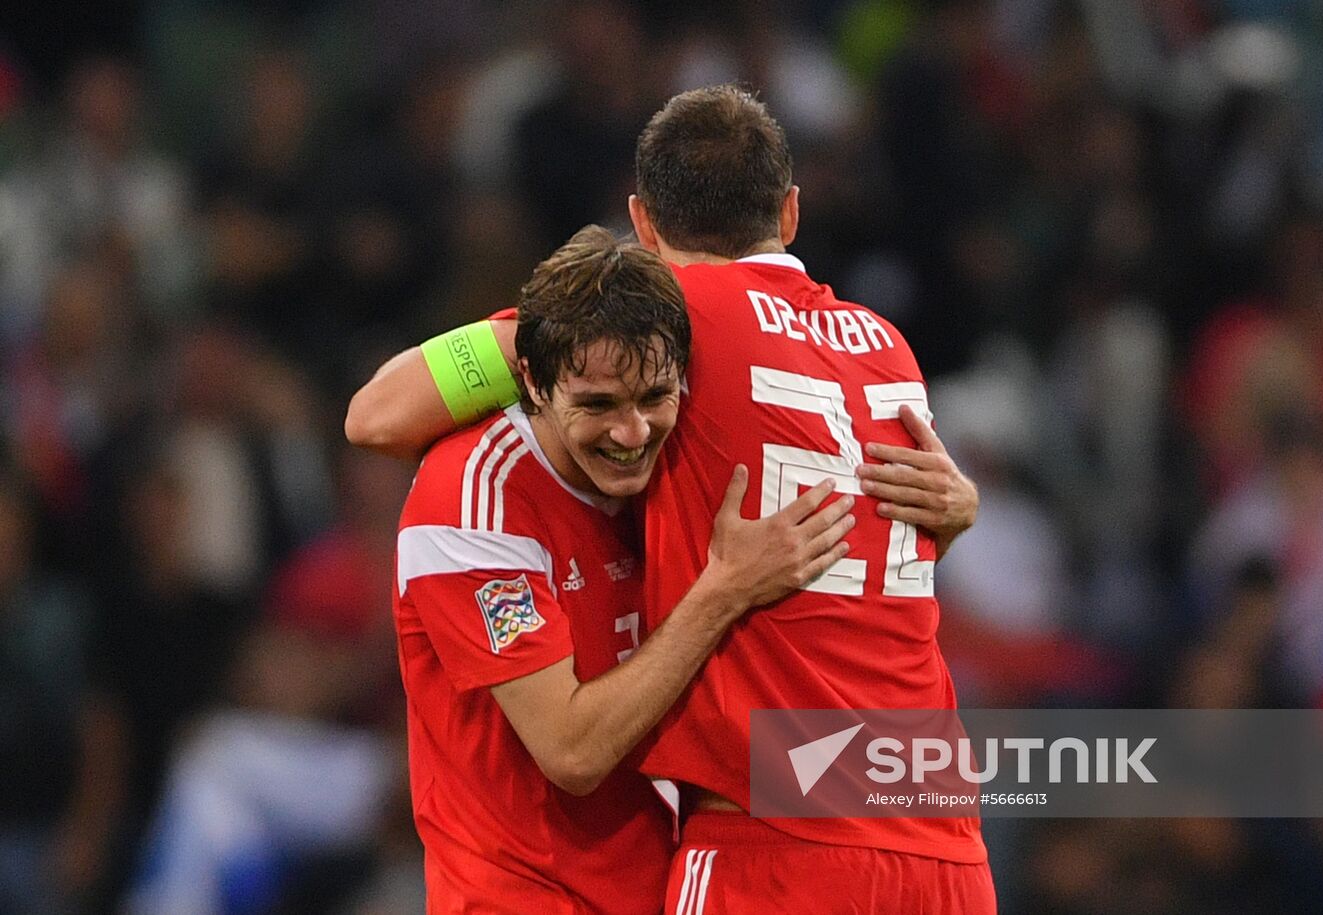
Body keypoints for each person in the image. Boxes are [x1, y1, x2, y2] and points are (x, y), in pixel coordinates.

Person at [349, 86, 993, 912]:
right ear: (791, 214)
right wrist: (961, 511)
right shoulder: (887, 350)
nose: (631, 428)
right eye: (604, 407)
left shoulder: (660, 321)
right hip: (937, 837)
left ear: (644, 227)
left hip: (775, 851)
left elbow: (373, 415)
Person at [394, 225, 856, 913]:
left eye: (653, 396)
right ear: (534, 382)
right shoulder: (474, 501)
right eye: (597, 405)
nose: (632, 432)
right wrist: (722, 590)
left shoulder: (677, 465)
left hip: (661, 885)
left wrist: (950, 508)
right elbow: (573, 752)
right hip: (518, 898)